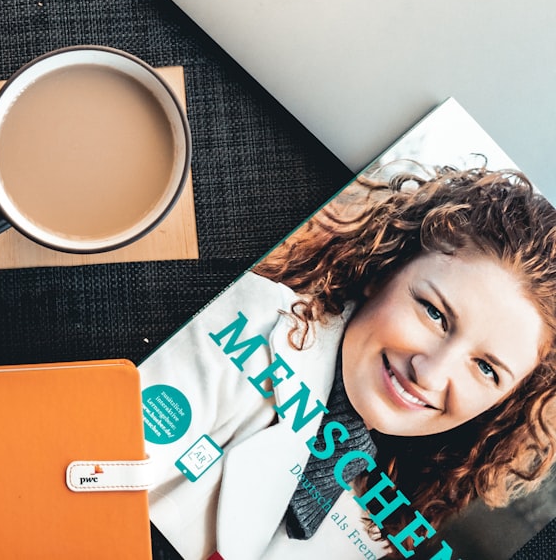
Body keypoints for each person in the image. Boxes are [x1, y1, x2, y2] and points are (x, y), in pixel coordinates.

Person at [142, 166, 556, 560]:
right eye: (433, 313)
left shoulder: (387, 519)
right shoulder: (247, 322)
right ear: (385, 271)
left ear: (507, 401)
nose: (429, 374)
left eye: (486, 369)